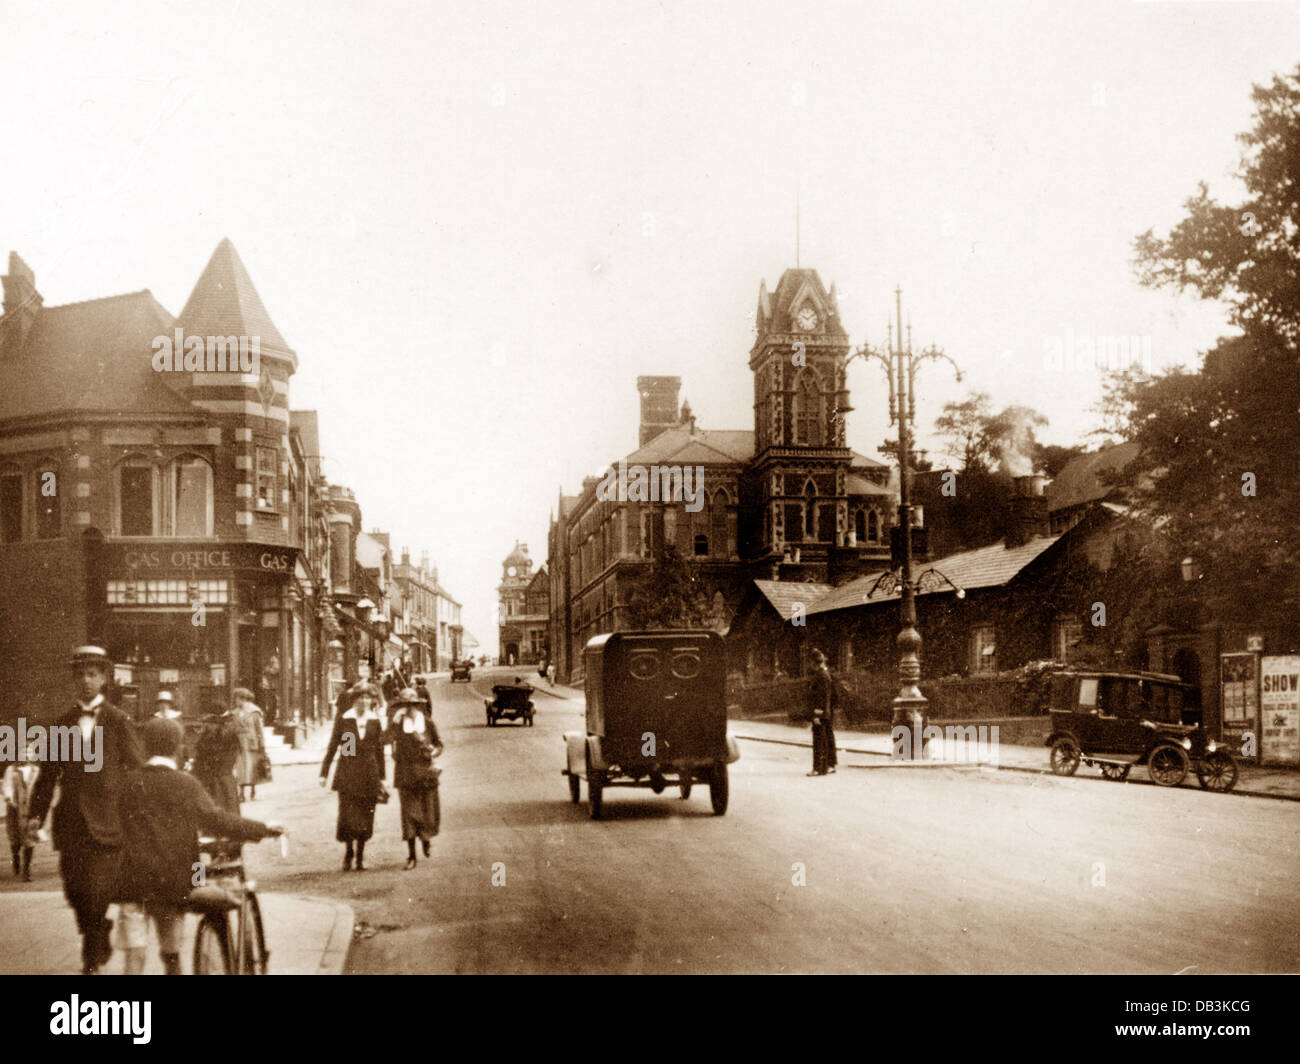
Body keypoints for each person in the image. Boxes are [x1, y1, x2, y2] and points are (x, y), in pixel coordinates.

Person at [116, 717, 281, 976]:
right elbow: (218, 821)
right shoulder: (185, 784)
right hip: (175, 883)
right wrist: (262, 829)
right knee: (171, 953)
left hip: (134, 885)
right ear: (178, 748)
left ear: (145, 747)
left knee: (133, 957)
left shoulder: (127, 783)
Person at [27, 646, 144, 974]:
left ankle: (90, 961)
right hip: (71, 824)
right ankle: (98, 932)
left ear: (104, 678)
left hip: (109, 823)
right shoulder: (60, 725)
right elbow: (47, 776)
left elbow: (136, 770)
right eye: (80, 674)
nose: (86, 680)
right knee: (75, 891)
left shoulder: (119, 721)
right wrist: (35, 816)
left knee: (96, 892)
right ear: (73, 679)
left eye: (92, 674)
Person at [319, 682, 386, 871]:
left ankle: (360, 857)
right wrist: (324, 772)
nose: (364, 702)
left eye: (367, 698)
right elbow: (335, 746)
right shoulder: (345, 719)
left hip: (369, 776)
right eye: (360, 698)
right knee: (348, 816)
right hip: (348, 773)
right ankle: (348, 853)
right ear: (353, 701)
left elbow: (379, 750)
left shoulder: (375, 720)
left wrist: (382, 776)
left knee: (366, 815)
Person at [385, 688, 443, 869]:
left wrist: (434, 751)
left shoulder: (426, 722)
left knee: (427, 813)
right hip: (406, 773)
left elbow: (439, 744)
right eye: (405, 705)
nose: (409, 709)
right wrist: (393, 724)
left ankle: (425, 839)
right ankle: (411, 856)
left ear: (417, 705)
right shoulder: (398, 723)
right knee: (409, 815)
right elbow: (384, 740)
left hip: (426, 773)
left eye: (412, 705)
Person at [191, 702, 243, 815]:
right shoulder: (229, 723)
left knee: (224, 802)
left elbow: (219, 744)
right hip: (220, 774)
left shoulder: (226, 725)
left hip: (220, 773)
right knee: (227, 801)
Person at [3, 740, 41, 881]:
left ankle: (26, 871)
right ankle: (15, 857)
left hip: (30, 810)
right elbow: (7, 786)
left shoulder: (36, 771)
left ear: (33, 754)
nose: (26, 754)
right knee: (15, 840)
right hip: (15, 810)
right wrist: (9, 798)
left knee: (30, 839)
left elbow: (40, 790)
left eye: (29, 752)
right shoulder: (11, 770)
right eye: (23, 751)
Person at [232, 688, 270, 802]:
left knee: (252, 767)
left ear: (242, 698)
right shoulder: (234, 712)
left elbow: (259, 730)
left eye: (236, 699)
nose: (235, 701)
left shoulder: (255, 711)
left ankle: (253, 789)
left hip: (252, 743)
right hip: (239, 743)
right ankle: (241, 793)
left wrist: (262, 744)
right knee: (240, 768)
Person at [807, 649, 838, 777]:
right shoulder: (826, 674)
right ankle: (827, 766)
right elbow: (833, 696)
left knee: (819, 741)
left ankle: (818, 768)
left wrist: (817, 715)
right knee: (825, 739)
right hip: (826, 713)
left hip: (820, 713)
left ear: (815, 663)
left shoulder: (821, 676)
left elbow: (821, 697)